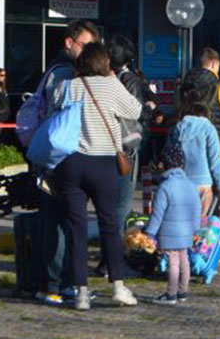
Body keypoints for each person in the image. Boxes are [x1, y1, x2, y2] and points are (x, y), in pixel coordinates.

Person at [51, 42, 143, 310]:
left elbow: (54, 103)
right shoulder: (112, 85)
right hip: (104, 163)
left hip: (71, 163)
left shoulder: (69, 86)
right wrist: (112, 79)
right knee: (109, 225)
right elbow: (135, 110)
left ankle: (80, 291)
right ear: (105, 62)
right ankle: (118, 285)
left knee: (76, 228)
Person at [22, 18, 99, 306]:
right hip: (58, 158)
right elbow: (61, 116)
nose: (90, 52)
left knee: (62, 220)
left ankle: (61, 282)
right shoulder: (65, 73)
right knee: (59, 222)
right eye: (86, 45)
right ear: (70, 43)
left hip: (55, 156)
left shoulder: (57, 69)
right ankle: (54, 284)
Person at [143, 145, 201, 306]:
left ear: (164, 164)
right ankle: (183, 291)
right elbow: (197, 210)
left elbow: (157, 214)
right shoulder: (191, 185)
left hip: (169, 232)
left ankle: (171, 294)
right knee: (184, 260)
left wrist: (149, 233)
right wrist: (195, 229)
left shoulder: (165, 187)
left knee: (173, 262)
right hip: (187, 231)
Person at [109, 35, 154, 222]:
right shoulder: (129, 79)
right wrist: (149, 109)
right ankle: (119, 236)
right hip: (126, 144)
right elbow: (136, 111)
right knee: (123, 199)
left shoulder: (104, 78)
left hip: (106, 142)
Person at [167, 89, 220, 214]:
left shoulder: (178, 128)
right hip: (203, 184)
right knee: (201, 222)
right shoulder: (208, 128)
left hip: (181, 182)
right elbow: (215, 161)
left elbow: (170, 156)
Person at [182, 47, 220, 137]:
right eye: (218, 66)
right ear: (213, 64)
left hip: (186, 139)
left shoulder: (185, 85)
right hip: (212, 140)